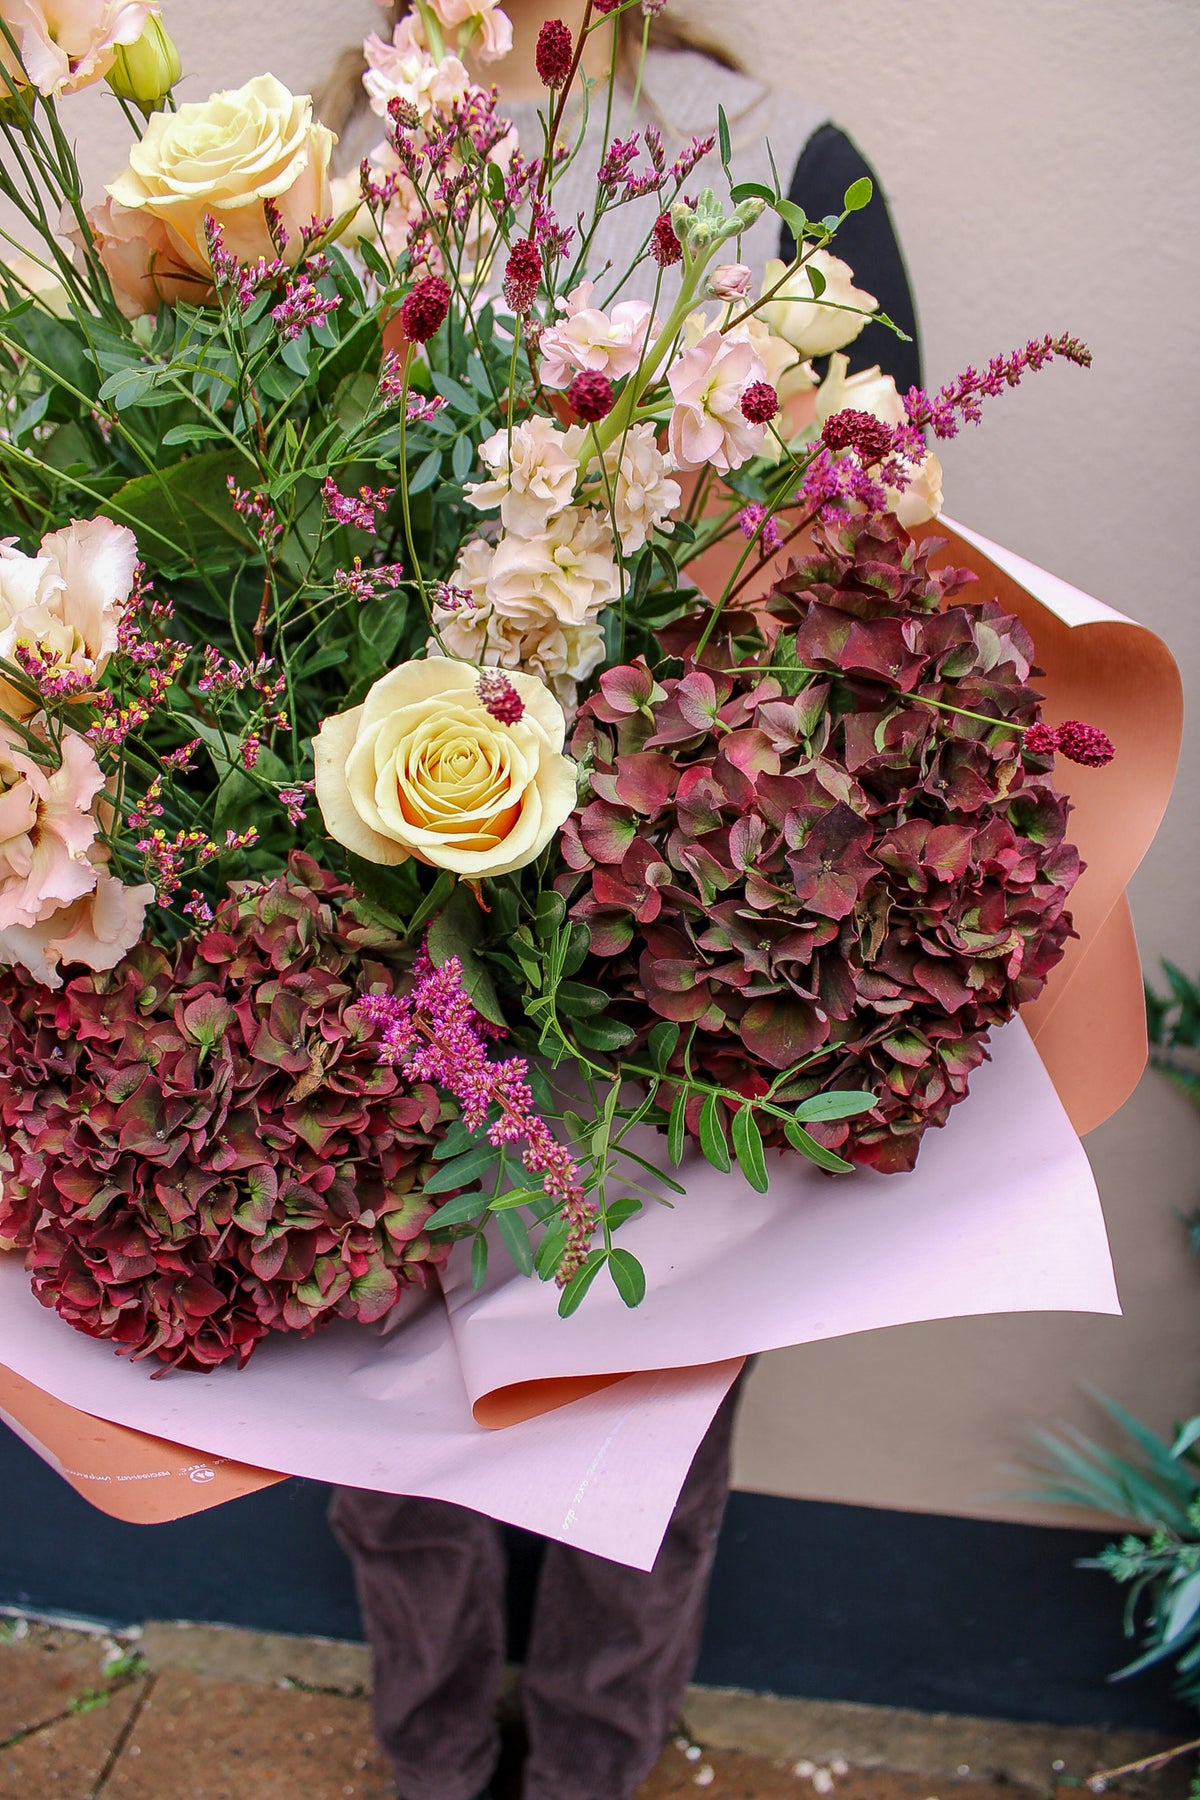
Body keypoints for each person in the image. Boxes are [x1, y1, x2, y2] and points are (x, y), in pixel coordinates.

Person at [325, 7, 922, 1798]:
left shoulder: (791, 157)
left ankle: (593, 1764)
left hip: (674, 942)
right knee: (383, 1418)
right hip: (385, 906)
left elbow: (879, 557)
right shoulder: (333, 163)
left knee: (649, 1415)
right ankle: (430, 1761)